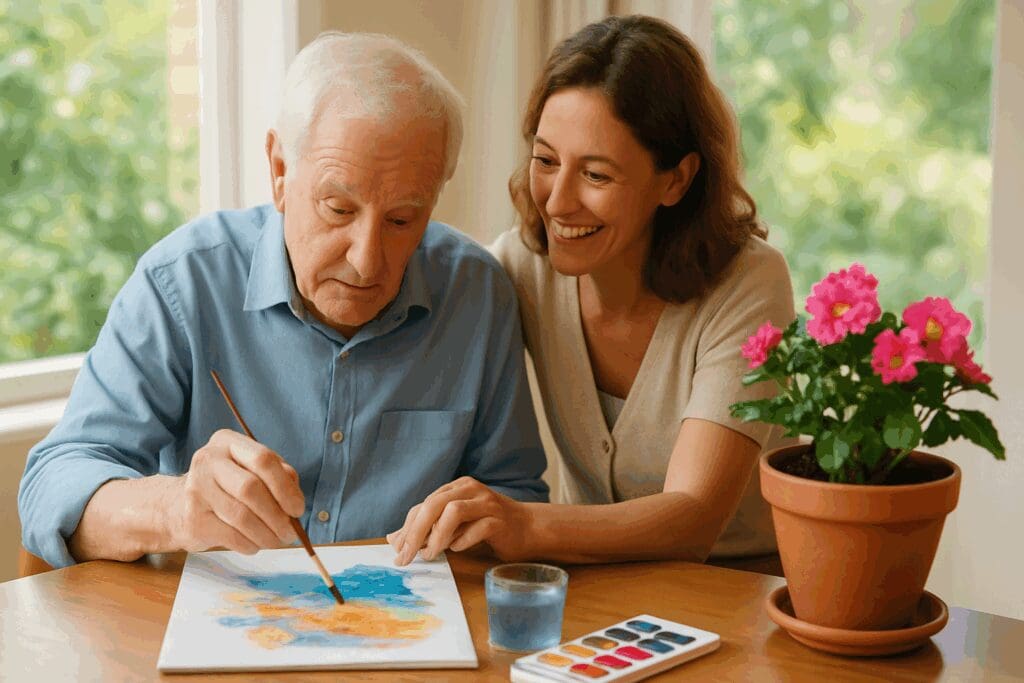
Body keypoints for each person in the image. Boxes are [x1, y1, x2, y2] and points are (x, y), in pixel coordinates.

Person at [18, 32, 548, 570]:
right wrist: (176, 508)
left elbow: (515, 499)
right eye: (338, 209)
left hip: (401, 633)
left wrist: (488, 521)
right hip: (206, 632)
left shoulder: (477, 294)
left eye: (401, 220)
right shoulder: (183, 283)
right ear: (279, 171)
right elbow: (54, 483)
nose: (366, 261)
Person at [388, 15, 795, 568]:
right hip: (600, 585)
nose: (557, 202)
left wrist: (522, 521)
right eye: (547, 161)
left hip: (743, 587)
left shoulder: (749, 285)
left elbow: (694, 518)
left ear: (675, 179)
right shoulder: (520, 268)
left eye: (597, 175)